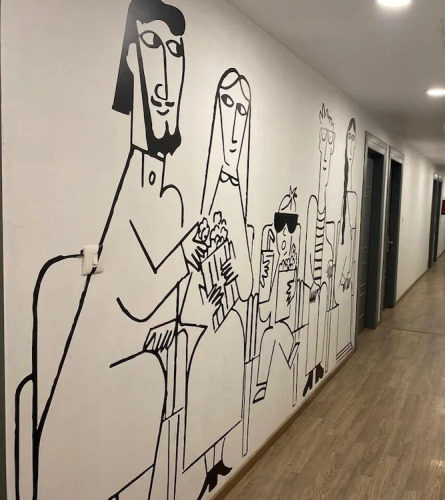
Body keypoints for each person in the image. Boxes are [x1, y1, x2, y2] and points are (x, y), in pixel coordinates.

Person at [35, 1, 206, 498]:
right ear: (130, 59)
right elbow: (136, 293)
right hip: (86, 406)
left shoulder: (165, 191)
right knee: (156, 380)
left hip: (127, 375)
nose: (166, 72)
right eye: (151, 44)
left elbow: (148, 299)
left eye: (175, 51)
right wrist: (188, 257)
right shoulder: (127, 181)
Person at [180, 68, 254, 499]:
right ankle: (203, 464)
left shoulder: (235, 191)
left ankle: (220, 458)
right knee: (207, 374)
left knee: (226, 369)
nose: (235, 122)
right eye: (227, 104)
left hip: (227, 315)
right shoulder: (200, 193)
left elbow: (246, 279)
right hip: (199, 319)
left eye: (243, 110)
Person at [253, 188, 301, 404]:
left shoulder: (289, 258)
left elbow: (286, 291)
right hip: (273, 309)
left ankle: (261, 385)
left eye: (289, 230)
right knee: (270, 334)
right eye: (281, 229)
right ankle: (290, 349)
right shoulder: (272, 254)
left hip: (278, 308)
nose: (285, 237)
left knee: (269, 334)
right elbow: (266, 287)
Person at [302, 105, 336, 397]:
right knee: (311, 323)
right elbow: (306, 245)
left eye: (330, 141)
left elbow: (325, 240)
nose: (326, 151)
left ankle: (320, 365)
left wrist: (328, 266)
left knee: (322, 321)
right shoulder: (313, 203)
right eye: (323, 139)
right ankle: (310, 371)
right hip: (311, 283)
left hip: (322, 279)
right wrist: (311, 280)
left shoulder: (326, 203)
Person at [335, 118, 359, 362]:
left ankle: (345, 343)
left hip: (345, 266)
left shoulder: (352, 196)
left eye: (354, 138)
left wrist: (347, 271)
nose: (351, 144)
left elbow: (350, 237)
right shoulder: (342, 193)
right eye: (349, 138)